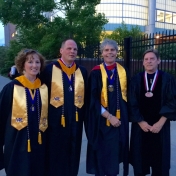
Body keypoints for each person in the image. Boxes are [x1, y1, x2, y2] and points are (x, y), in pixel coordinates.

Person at [41, 39, 88, 176]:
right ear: (61, 51)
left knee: (73, 152)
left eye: (75, 49)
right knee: (56, 154)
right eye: (69, 48)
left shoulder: (82, 71)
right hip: (54, 123)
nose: (72, 51)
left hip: (75, 122)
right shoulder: (48, 70)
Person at [0, 49, 48, 176]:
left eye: (37, 62)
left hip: (39, 143)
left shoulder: (43, 88)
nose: (34, 65)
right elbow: (1, 117)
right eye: (30, 62)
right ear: (22, 65)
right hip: (16, 142)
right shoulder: (12, 88)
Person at [129, 48, 176, 176]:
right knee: (140, 161)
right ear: (143, 62)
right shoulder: (136, 79)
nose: (149, 61)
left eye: (152, 59)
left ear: (158, 61)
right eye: (146, 59)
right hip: (140, 128)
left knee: (160, 163)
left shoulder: (167, 79)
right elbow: (132, 103)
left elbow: (172, 102)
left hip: (160, 128)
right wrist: (141, 121)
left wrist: (160, 123)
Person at [86, 39, 129, 176]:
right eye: (106, 50)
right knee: (101, 155)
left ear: (117, 52)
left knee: (114, 157)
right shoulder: (95, 73)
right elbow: (91, 100)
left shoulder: (123, 72)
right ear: (102, 53)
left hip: (119, 122)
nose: (109, 52)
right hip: (101, 122)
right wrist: (109, 116)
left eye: (112, 50)